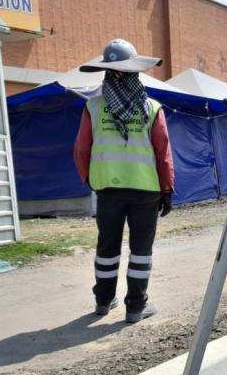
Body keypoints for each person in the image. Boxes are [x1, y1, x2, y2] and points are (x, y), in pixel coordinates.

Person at [73, 39, 174, 323]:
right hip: (146, 190)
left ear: (106, 73)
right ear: (135, 74)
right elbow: (163, 151)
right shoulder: (152, 108)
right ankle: (135, 307)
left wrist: (90, 179)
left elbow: (81, 149)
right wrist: (167, 189)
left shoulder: (92, 107)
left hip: (108, 189)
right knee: (141, 250)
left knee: (107, 247)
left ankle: (103, 301)